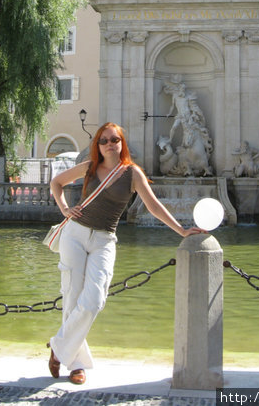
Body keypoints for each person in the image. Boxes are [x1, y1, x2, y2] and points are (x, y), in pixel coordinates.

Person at [48, 121, 203, 385]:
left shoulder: (132, 173)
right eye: (104, 140)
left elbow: (153, 205)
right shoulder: (89, 167)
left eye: (114, 139)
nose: (110, 144)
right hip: (74, 234)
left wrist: (181, 230)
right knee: (73, 298)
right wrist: (64, 209)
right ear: (97, 145)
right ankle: (75, 365)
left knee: (95, 299)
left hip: (104, 239)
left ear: (122, 143)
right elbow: (57, 183)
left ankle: (58, 348)